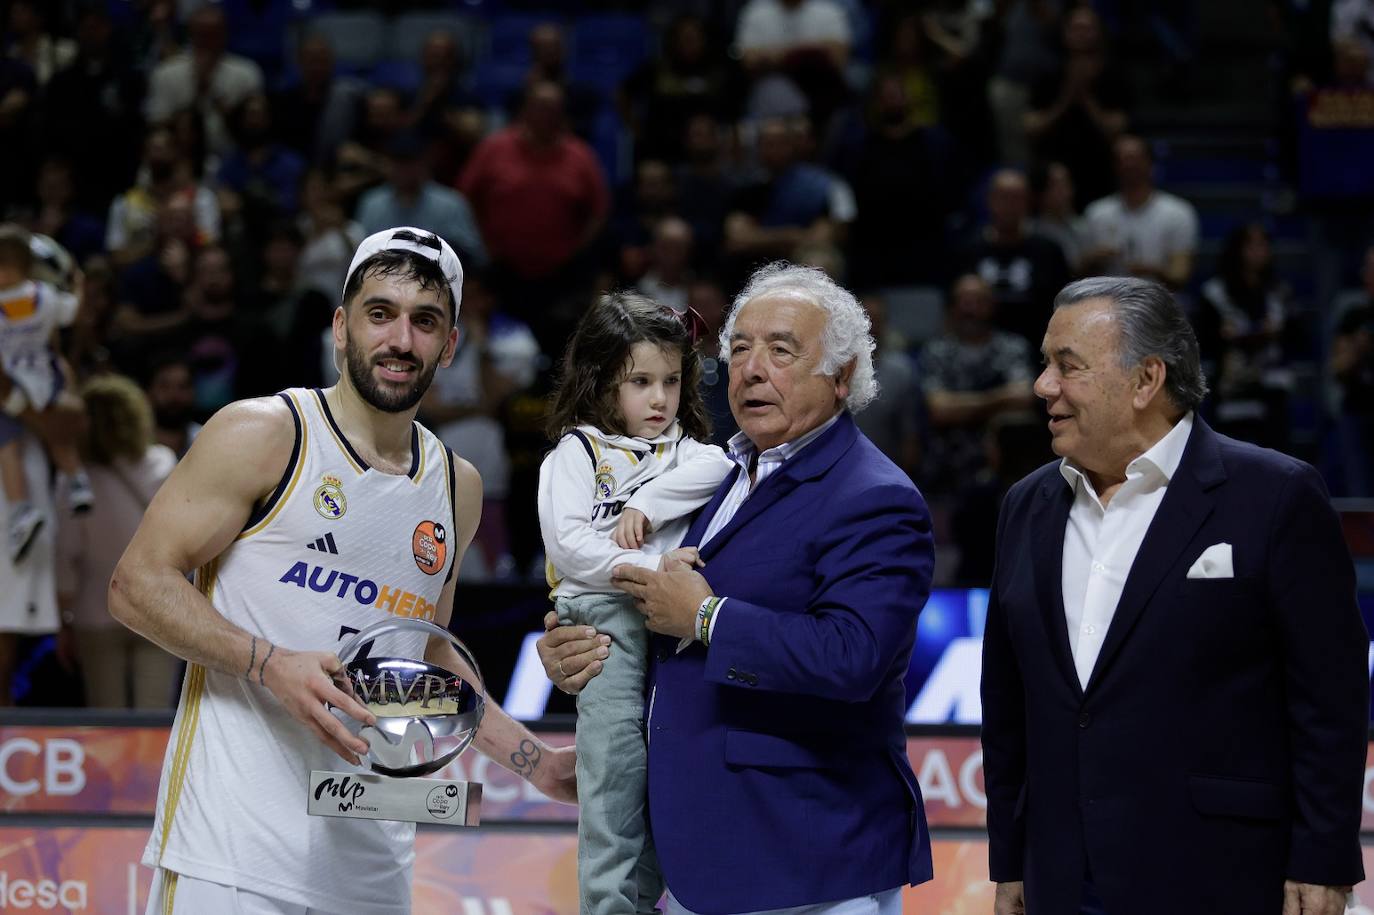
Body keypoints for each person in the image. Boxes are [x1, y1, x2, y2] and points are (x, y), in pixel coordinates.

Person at [109, 226, 575, 915]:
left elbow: (424, 654)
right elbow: (135, 584)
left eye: (425, 321)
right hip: (232, 853)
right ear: (340, 327)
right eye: (379, 313)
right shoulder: (266, 432)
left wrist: (538, 763)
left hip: (370, 865)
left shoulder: (456, 484)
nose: (400, 340)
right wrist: (269, 662)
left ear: (449, 345)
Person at [538, 262, 935, 914]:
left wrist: (708, 618)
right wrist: (581, 644)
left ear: (841, 376)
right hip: (700, 856)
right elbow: (656, 612)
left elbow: (854, 656)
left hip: (809, 862)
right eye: (740, 347)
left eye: (781, 350)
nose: (751, 368)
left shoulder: (876, 496)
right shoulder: (709, 473)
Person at [980, 276, 1367, 915]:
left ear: (1145, 380)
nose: (1042, 386)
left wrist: (1323, 857)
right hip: (1061, 876)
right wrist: (1010, 859)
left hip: (1223, 874)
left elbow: (1330, 701)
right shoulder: (1026, 505)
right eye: (1045, 365)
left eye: (1066, 367)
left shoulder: (1274, 495)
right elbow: (1008, 707)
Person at [539, 292, 734, 915]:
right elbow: (571, 550)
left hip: (667, 622)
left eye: (672, 381)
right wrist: (654, 567)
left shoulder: (687, 450)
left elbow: (720, 465)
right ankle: (607, 904)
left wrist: (645, 506)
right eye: (640, 382)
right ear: (600, 384)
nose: (660, 399)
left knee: (665, 771)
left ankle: (648, 899)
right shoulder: (576, 454)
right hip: (602, 624)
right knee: (615, 772)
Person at [57, 374, 179, 708]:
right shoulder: (163, 463)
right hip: (159, 608)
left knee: (106, 719)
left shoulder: (76, 480)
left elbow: (67, 555)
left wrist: (63, 621)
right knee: (154, 718)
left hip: (94, 609)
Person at [0, 227, 92, 563]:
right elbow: (73, 312)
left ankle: (20, 509)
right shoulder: (45, 296)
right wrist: (79, 284)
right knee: (57, 436)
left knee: (8, 445)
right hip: (43, 375)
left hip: (13, 381)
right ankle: (77, 481)